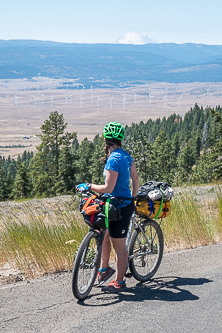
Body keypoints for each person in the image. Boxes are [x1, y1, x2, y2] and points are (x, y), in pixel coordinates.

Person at [77, 122, 139, 293]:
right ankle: (104, 270)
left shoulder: (114, 159)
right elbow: (135, 178)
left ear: (106, 140)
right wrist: (133, 196)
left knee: (119, 247)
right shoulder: (126, 155)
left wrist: (88, 185)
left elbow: (108, 188)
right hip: (116, 204)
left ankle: (119, 281)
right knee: (104, 237)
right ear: (120, 140)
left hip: (120, 206)